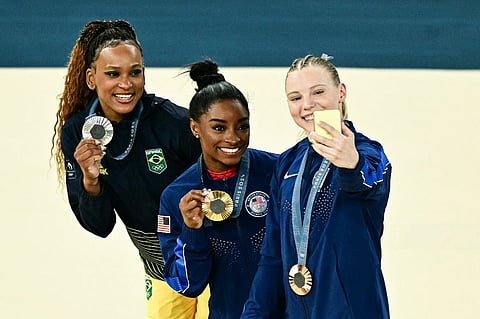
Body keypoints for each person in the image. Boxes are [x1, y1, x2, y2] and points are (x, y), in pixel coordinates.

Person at [50, 20, 209, 319]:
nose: (126, 84)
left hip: (208, 257)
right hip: (160, 269)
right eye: (113, 74)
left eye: (135, 72)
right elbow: (100, 227)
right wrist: (91, 181)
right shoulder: (76, 134)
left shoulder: (174, 124)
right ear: (91, 78)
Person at [241, 53, 392, 318]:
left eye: (318, 92)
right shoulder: (288, 163)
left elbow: (367, 183)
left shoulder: (369, 153)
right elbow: (272, 255)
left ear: (341, 92)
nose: (307, 105)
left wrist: (351, 164)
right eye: (295, 98)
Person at [157, 60, 279, 319]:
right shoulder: (177, 196)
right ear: (195, 128)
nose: (233, 138)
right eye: (219, 128)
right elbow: (187, 285)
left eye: (242, 126)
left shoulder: (277, 171)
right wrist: (192, 231)